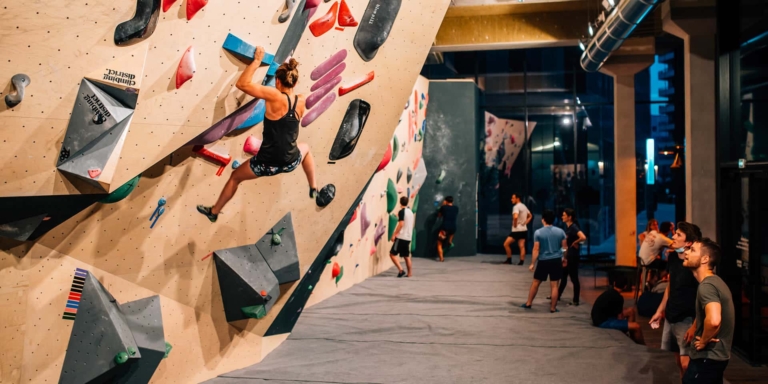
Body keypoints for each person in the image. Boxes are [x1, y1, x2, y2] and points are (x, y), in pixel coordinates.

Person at [197, 48, 329, 222]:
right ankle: (313, 187)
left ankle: (214, 212)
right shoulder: (302, 100)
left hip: (267, 163)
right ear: (295, 84)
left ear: (278, 83)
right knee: (306, 149)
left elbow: (242, 84)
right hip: (291, 162)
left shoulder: (274, 95)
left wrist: (257, 61)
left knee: (235, 178)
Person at [649, 222, 702, 378]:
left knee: (688, 364)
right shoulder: (672, 256)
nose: (673, 236)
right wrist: (660, 311)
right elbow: (670, 286)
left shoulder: (695, 264)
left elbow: (703, 297)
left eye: (679, 234)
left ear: (689, 242)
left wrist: (694, 325)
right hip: (671, 316)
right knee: (678, 360)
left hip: (686, 318)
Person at [682, 238, 734, 384]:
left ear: (705, 259)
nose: (686, 253)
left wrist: (704, 341)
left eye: (692, 250)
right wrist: (694, 327)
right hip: (714, 358)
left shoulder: (707, 286)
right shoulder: (714, 281)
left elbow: (714, 320)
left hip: (707, 357)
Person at [521, 210, 567, 313]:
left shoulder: (538, 232)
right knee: (555, 285)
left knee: (536, 282)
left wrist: (533, 263)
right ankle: (553, 308)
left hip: (543, 261)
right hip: (556, 260)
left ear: (543, 219)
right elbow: (564, 248)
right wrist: (564, 258)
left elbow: (536, 249)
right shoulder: (561, 232)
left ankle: (529, 303)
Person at [591, 274, 646, 345]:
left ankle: (632, 339)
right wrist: (626, 323)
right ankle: (643, 346)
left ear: (614, 283)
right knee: (636, 326)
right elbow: (619, 318)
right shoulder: (619, 298)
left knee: (631, 311)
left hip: (599, 317)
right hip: (603, 322)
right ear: (625, 286)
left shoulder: (609, 292)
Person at [557, 208, 587, 306]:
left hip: (573, 256)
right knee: (563, 276)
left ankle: (575, 300)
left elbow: (583, 237)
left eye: (564, 215)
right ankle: (557, 296)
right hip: (568, 255)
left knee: (573, 278)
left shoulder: (573, 227)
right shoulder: (569, 228)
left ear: (569, 217)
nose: (562, 217)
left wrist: (575, 242)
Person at [390, 196, 415, 278]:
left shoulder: (402, 211)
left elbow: (401, 224)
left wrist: (394, 234)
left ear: (400, 202)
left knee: (392, 254)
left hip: (401, 236)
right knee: (406, 256)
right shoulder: (410, 212)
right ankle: (409, 273)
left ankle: (401, 270)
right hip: (408, 237)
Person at [503, 193, 532, 265]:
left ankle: (509, 259)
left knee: (506, 244)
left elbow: (515, 217)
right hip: (523, 229)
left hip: (517, 230)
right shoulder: (524, 206)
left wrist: (515, 224)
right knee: (522, 246)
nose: (511, 199)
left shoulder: (516, 207)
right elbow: (530, 215)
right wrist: (525, 222)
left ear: (517, 198)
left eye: (513, 198)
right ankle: (521, 261)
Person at [436, 196, 458, 262]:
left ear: (445, 201)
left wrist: (443, 205)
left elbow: (439, 216)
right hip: (453, 227)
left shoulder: (443, 207)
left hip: (445, 228)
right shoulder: (456, 208)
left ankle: (441, 258)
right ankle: (450, 242)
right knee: (449, 241)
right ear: (452, 201)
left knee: (439, 243)